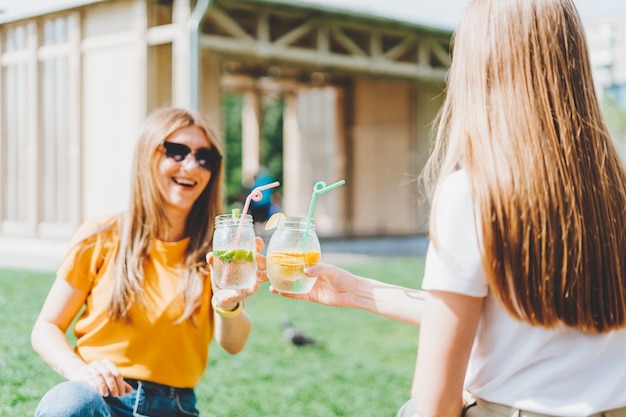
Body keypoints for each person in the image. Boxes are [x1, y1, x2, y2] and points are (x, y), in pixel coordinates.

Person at [259, 1, 626, 416]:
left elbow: (436, 404)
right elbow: (502, 320)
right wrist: (357, 291)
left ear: (476, 67)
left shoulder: (474, 192)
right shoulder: (615, 188)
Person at [31, 107, 262, 417]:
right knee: (68, 403)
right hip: (101, 399)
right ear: (147, 155)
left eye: (205, 158)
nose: (191, 166)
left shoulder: (215, 249)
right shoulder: (101, 236)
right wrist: (78, 371)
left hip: (176, 407)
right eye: (177, 152)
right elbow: (46, 327)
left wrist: (228, 304)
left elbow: (233, 343)